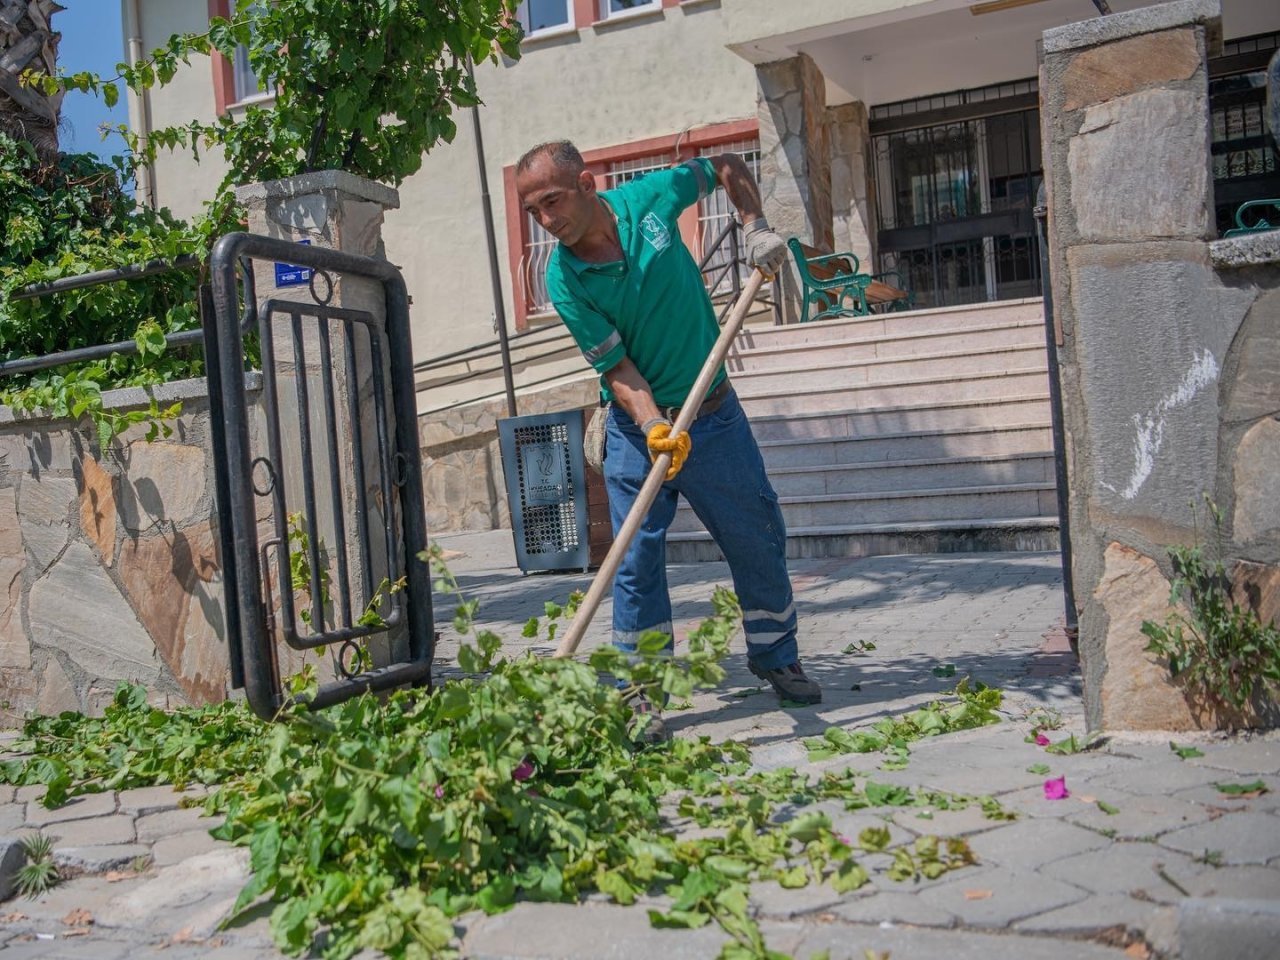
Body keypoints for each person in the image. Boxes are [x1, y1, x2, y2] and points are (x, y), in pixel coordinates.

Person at [515, 141, 822, 732]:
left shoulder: (651, 198)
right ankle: (641, 689)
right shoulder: (565, 279)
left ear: (586, 184)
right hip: (637, 432)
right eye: (533, 212)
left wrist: (755, 226)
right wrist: (653, 424)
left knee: (757, 536)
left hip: (716, 418)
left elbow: (726, 166)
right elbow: (618, 367)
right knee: (634, 560)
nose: (546, 221)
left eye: (552, 201)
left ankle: (776, 656)